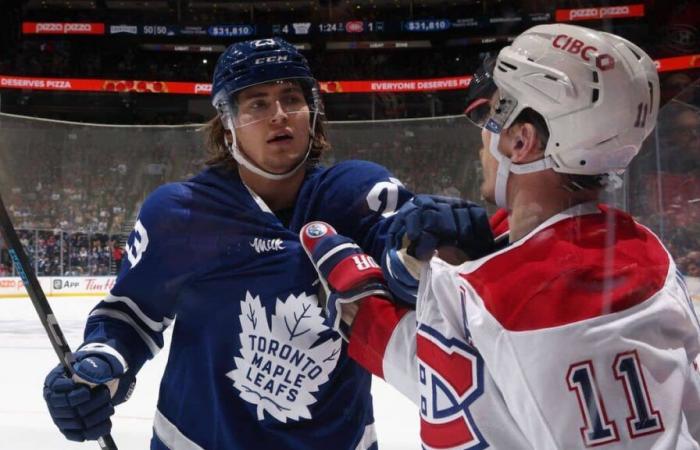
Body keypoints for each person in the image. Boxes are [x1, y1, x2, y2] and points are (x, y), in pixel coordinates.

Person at [299, 24, 700, 449]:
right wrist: (484, 254)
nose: (482, 136)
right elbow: (487, 393)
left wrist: (362, 302)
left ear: (521, 140)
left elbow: (455, 390)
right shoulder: (649, 251)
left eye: (490, 118)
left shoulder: (485, 298)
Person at [41, 37, 435, 450]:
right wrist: (98, 369)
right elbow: (131, 316)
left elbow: (408, 272)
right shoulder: (182, 214)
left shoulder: (357, 195)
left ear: (311, 111)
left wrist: (428, 246)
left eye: (291, 98)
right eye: (257, 104)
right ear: (226, 122)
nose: (279, 115)